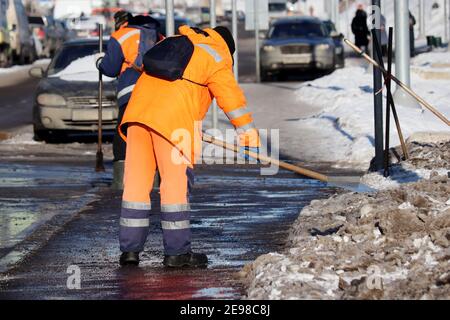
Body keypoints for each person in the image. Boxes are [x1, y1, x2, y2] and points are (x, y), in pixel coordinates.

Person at [117, 25, 260, 267]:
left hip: (137, 114)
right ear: (229, 49)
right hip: (172, 123)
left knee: (136, 185)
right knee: (174, 185)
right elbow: (232, 101)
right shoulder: (217, 55)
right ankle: (177, 253)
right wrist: (249, 137)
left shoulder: (176, 40)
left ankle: (129, 251)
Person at [97, 11, 161, 189]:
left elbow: (110, 68)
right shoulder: (158, 36)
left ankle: (122, 181)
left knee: (125, 132)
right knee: (152, 132)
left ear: (119, 23)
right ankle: (154, 179)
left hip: (130, 90)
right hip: (157, 92)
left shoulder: (121, 36)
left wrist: (99, 62)